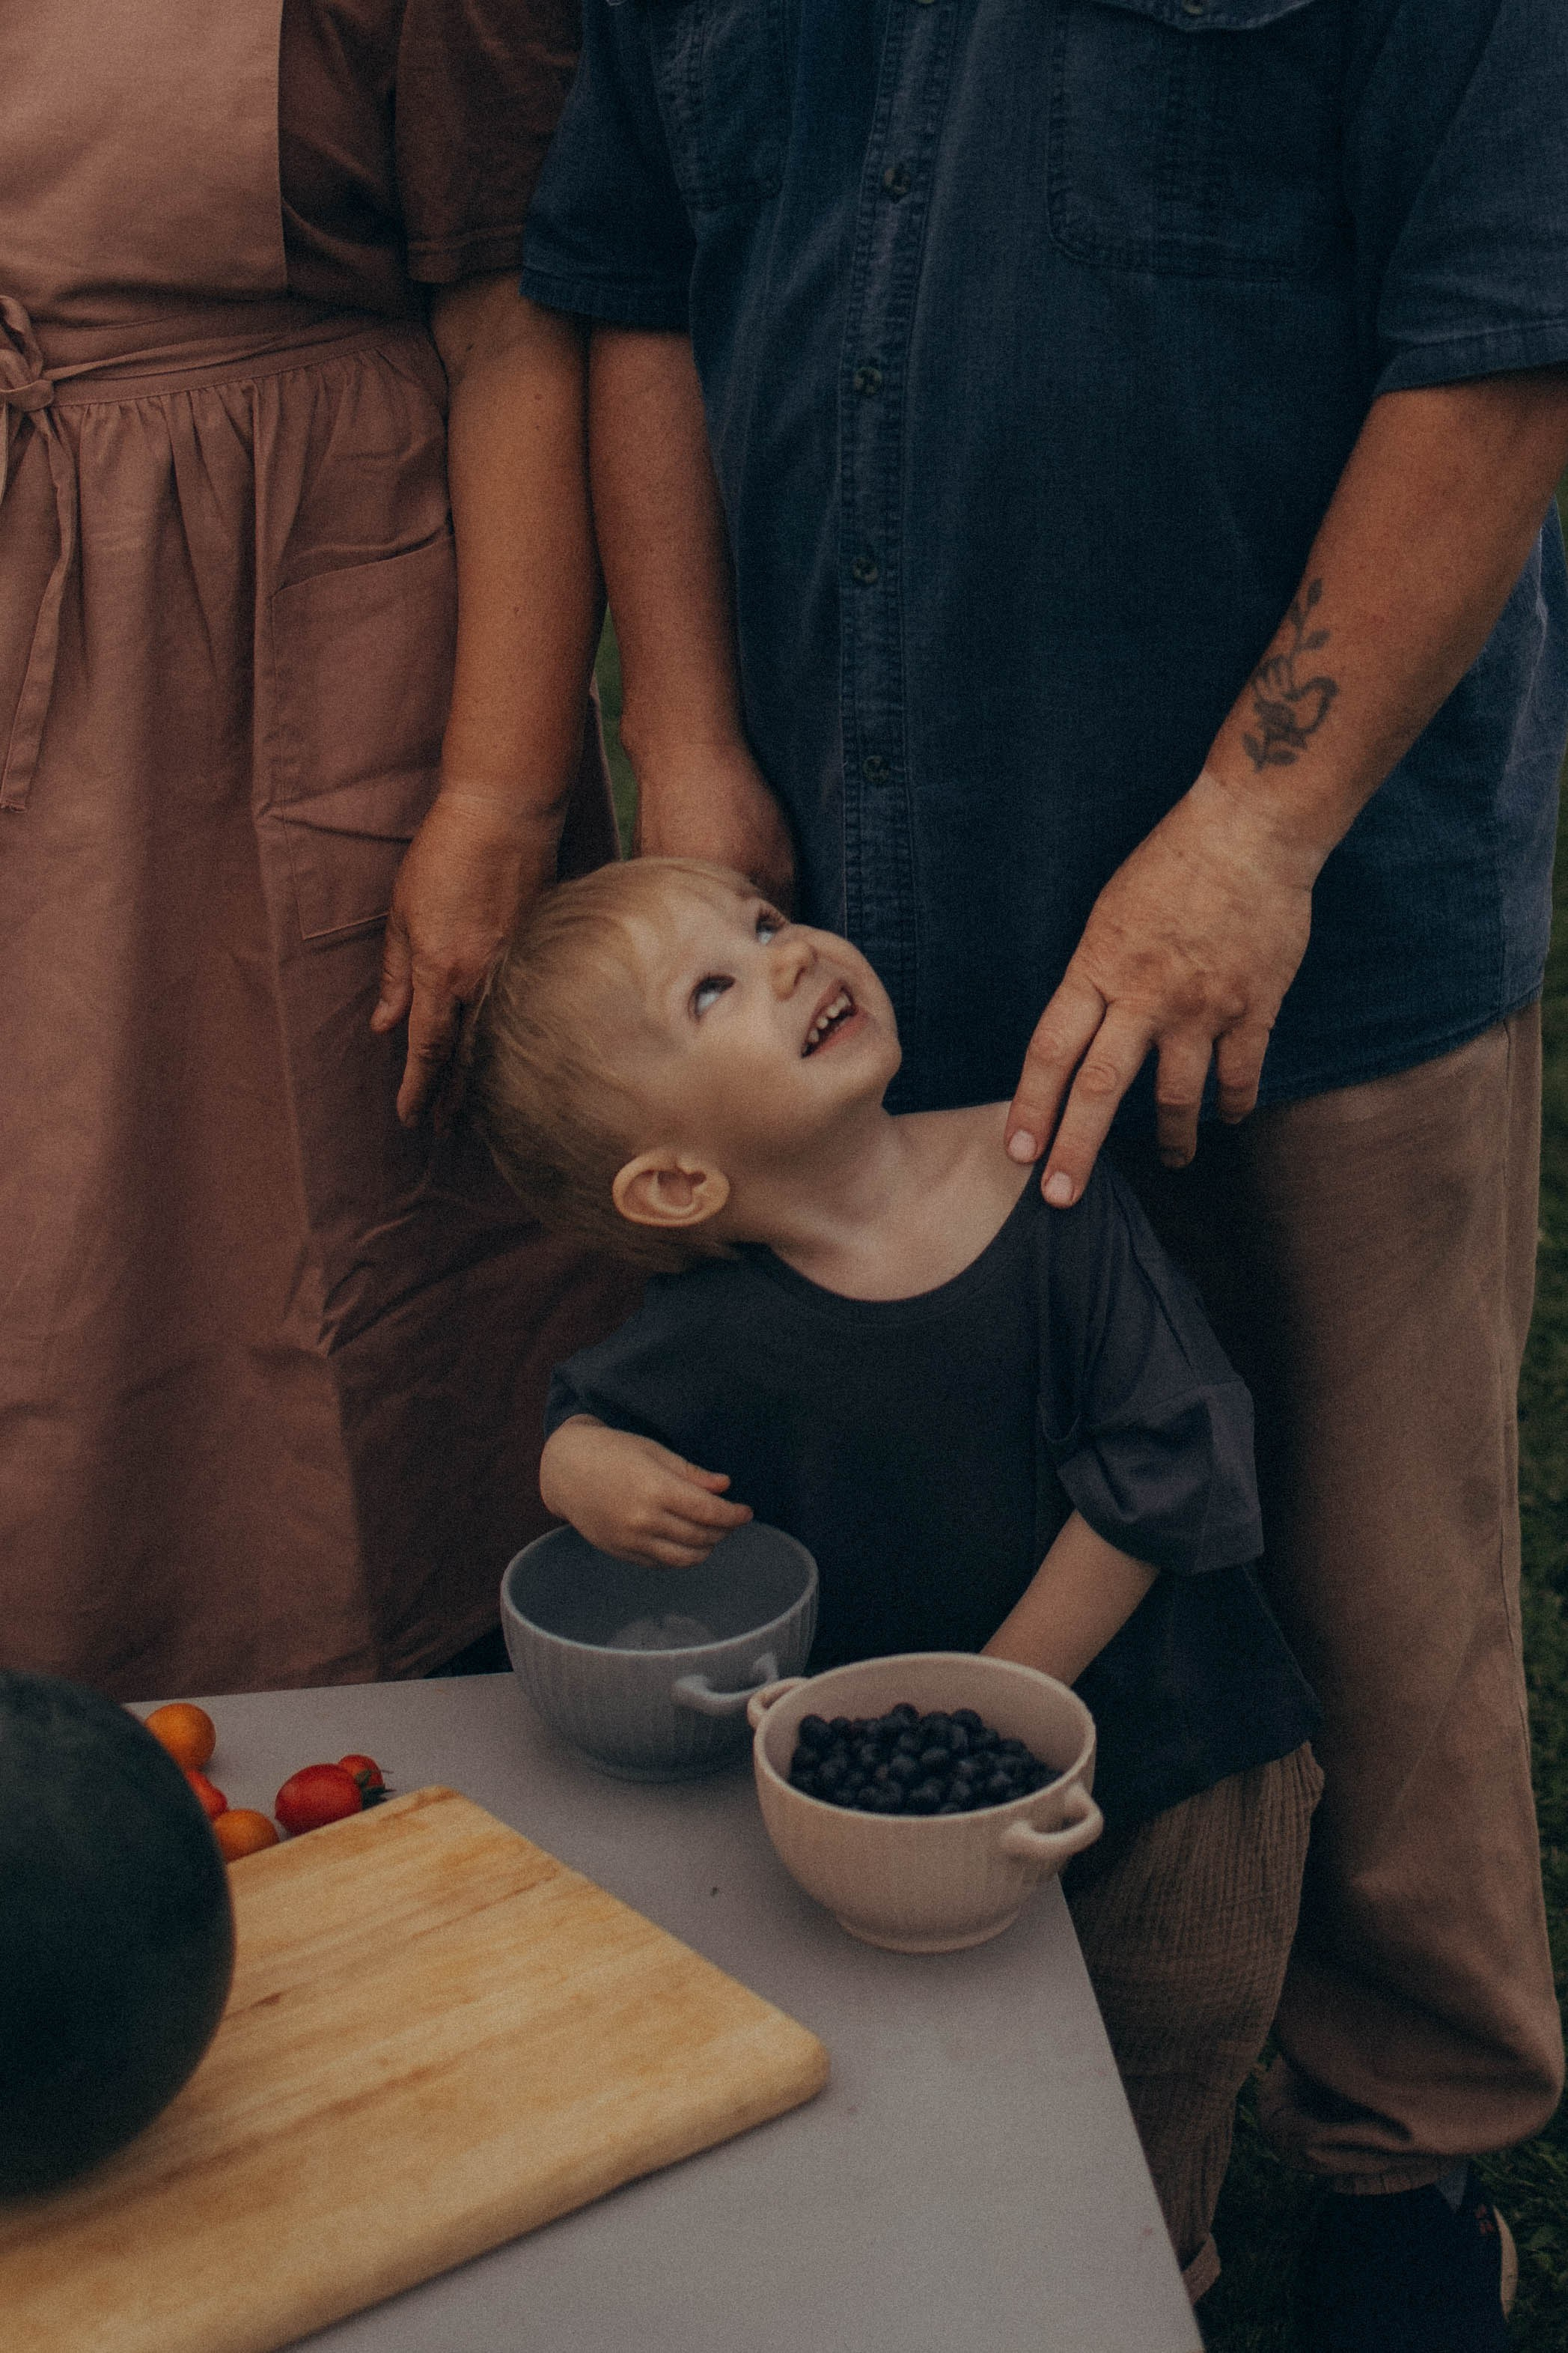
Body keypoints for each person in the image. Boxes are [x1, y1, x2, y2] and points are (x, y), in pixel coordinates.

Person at [513, 6, 1568, 2343]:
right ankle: (981, 2104)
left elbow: (1507, 314)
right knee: (923, 1506)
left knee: (1378, 1569)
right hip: (859, 890)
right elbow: (638, 275)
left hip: (1317, 916)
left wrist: (1250, 838)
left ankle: (1403, 2172)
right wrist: (687, 732)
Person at [466, 852, 1324, 2302]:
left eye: (765, 920)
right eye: (713, 988)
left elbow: (1171, 1463)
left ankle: (1147, 2279)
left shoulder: (1039, 1172)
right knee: (940, 2045)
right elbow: (590, 1414)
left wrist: (994, 1699)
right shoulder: (715, 1327)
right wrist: (579, 1469)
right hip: (914, 1807)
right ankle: (970, 2278)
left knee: (1170, 2024)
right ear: (675, 1181)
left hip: (1180, 1748)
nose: (792, 952)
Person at [0, 0, 636, 1699]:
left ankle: (370, 1749)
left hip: (290, 670)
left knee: (316, 1235)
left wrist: (495, 798)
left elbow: (520, 333)